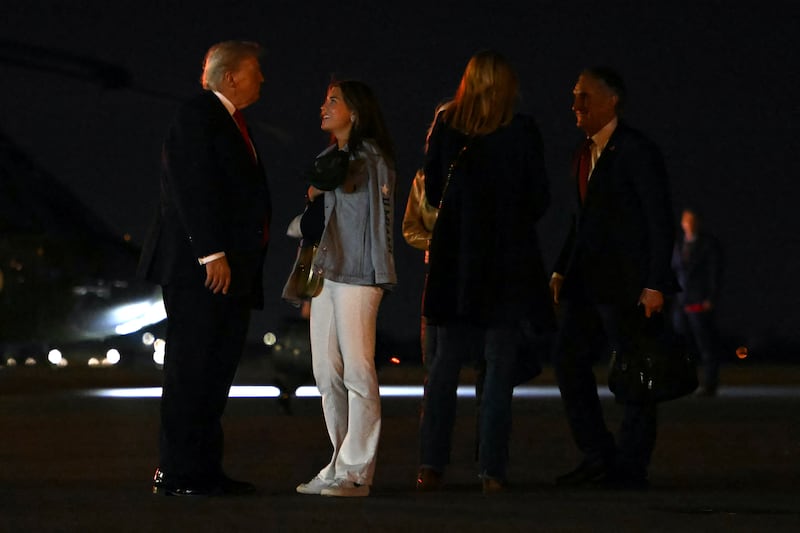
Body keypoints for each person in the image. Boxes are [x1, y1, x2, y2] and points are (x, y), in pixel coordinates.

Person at [137, 40, 272, 496]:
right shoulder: (198, 114)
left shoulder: (232, 123)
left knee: (215, 372)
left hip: (229, 272)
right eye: (255, 71)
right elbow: (188, 184)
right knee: (191, 368)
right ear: (230, 76)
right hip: (202, 271)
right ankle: (176, 470)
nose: (262, 80)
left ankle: (202, 468)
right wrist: (211, 253)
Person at [417, 50, 554, 494]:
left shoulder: (447, 126)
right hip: (507, 265)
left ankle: (431, 465)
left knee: (443, 369)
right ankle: (491, 470)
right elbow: (539, 198)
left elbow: (433, 190)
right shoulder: (522, 130)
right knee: (498, 372)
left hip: (457, 263)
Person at [549, 67, 678, 489]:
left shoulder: (637, 150)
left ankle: (630, 465)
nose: (575, 105)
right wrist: (560, 268)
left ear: (612, 100)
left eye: (585, 96)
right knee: (568, 362)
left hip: (628, 285)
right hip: (586, 284)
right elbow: (579, 221)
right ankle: (598, 454)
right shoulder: (581, 154)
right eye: (574, 95)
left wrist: (656, 282)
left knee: (636, 374)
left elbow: (659, 219)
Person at [294, 80, 397, 498]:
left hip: (358, 274)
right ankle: (339, 460)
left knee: (358, 369)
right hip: (327, 272)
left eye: (333, 100)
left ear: (355, 111)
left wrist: (320, 187)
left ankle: (358, 470)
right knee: (325, 372)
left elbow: (358, 197)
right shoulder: (328, 158)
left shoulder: (369, 159)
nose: (323, 106)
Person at [671, 208, 724, 396]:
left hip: (699, 301)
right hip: (681, 302)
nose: (689, 224)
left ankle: (710, 384)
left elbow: (714, 273)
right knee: (681, 345)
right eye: (686, 220)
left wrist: (710, 297)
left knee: (705, 344)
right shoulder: (678, 244)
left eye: (692, 220)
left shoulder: (708, 244)